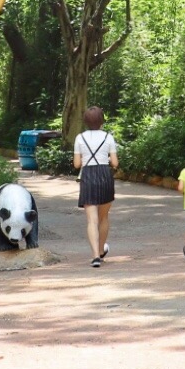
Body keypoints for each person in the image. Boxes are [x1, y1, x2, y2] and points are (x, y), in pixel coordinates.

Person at [73, 107, 118, 268]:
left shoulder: (80, 138)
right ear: (102, 121)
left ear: (86, 121)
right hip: (105, 174)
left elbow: (77, 164)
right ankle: (101, 251)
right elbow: (115, 163)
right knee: (104, 217)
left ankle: (95, 256)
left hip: (88, 176)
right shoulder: (108, 137)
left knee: (92, 220)